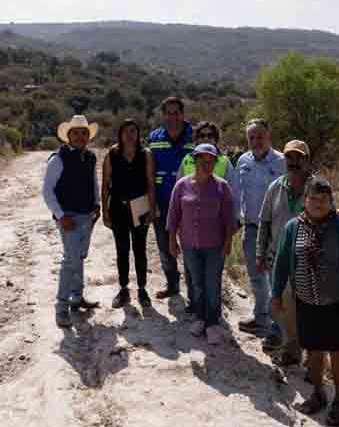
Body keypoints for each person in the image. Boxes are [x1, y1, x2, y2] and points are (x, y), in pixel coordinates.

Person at [271, 177, 339, 427]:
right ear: (305, 201)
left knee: (337, 351)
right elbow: (281, 262)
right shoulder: (293, 227)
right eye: (313, 199)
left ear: (330, 202)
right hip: (305, 302)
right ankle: (318, 393)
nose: (317, 204)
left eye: (323, 200)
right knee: (313, 351)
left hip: (337, 303)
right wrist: (275, 295)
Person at [166, 143, 237, 345]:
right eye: (202, 160)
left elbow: (229, 220)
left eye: (210, 160)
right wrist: (172, 241)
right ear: (194, 160)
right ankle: (199, 318)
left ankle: (213, 323)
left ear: (215, 162)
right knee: (196, 283)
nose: (206, 164)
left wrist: (228, 243)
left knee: (212, 284)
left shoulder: (222, 187)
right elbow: (173, 216)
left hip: (214, 246)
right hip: (189, 245)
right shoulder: (181, 185)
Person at [42, 114, 102, 329]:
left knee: (79, 257)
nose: (80, 136)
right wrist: (60, 215)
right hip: (68, 217)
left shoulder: (91, 157)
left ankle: (77, 298)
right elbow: (47, 191)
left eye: (83, 133)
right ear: (68, 136)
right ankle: (61, 308)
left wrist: (96, 204)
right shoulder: (58, 159)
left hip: (87, 216)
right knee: (70, 261)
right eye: (75, 133)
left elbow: (93, 182)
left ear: (88, 136)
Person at [256, 139, 310, 364]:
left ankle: (312, 359)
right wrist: (260, 253)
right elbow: (264, 222)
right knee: (281, 309)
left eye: (299, 157)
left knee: (308, 311)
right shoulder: (275, 187)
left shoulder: (317, 188)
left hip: (308, 261)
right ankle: (291, 352)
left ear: (307, 160)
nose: (294, 162)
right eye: (289, 157)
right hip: (278, 259)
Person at [235, 119, 286, 338]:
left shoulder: (282, 161)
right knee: (256, 277)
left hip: (276, 231)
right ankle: (261, 319)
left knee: (277, 279)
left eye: (260, 136)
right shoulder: (243, 160)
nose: (256, 141)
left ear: (269, 136)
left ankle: (279, 328)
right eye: (251, 138)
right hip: (252, 228)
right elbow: (238, 193)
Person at [101, 119, 157, 308]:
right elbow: (105, 185)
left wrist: (151, 208)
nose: (130, 134)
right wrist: (105, 211)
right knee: (122, 249)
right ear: (120, 133)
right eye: (126, 131)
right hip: (118, 206)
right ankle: (123, 289)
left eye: (133, 130)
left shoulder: (145, 154)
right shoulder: (112, 154)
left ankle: (142, 289)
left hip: (140, 205)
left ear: (138, 133)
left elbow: (150, 183)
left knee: (140, 249)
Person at [148, 97, 194, 300]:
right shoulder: (154, 138)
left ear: (183, 114)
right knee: (165, 245)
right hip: (161, 202)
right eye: (169, 113)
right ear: (163, 115)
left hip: (190, 203)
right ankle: (173, 284)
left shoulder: (195, 137)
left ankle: (194, 289)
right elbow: (147, 172)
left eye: (177, 112)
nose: (173, 117)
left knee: (191, 246)